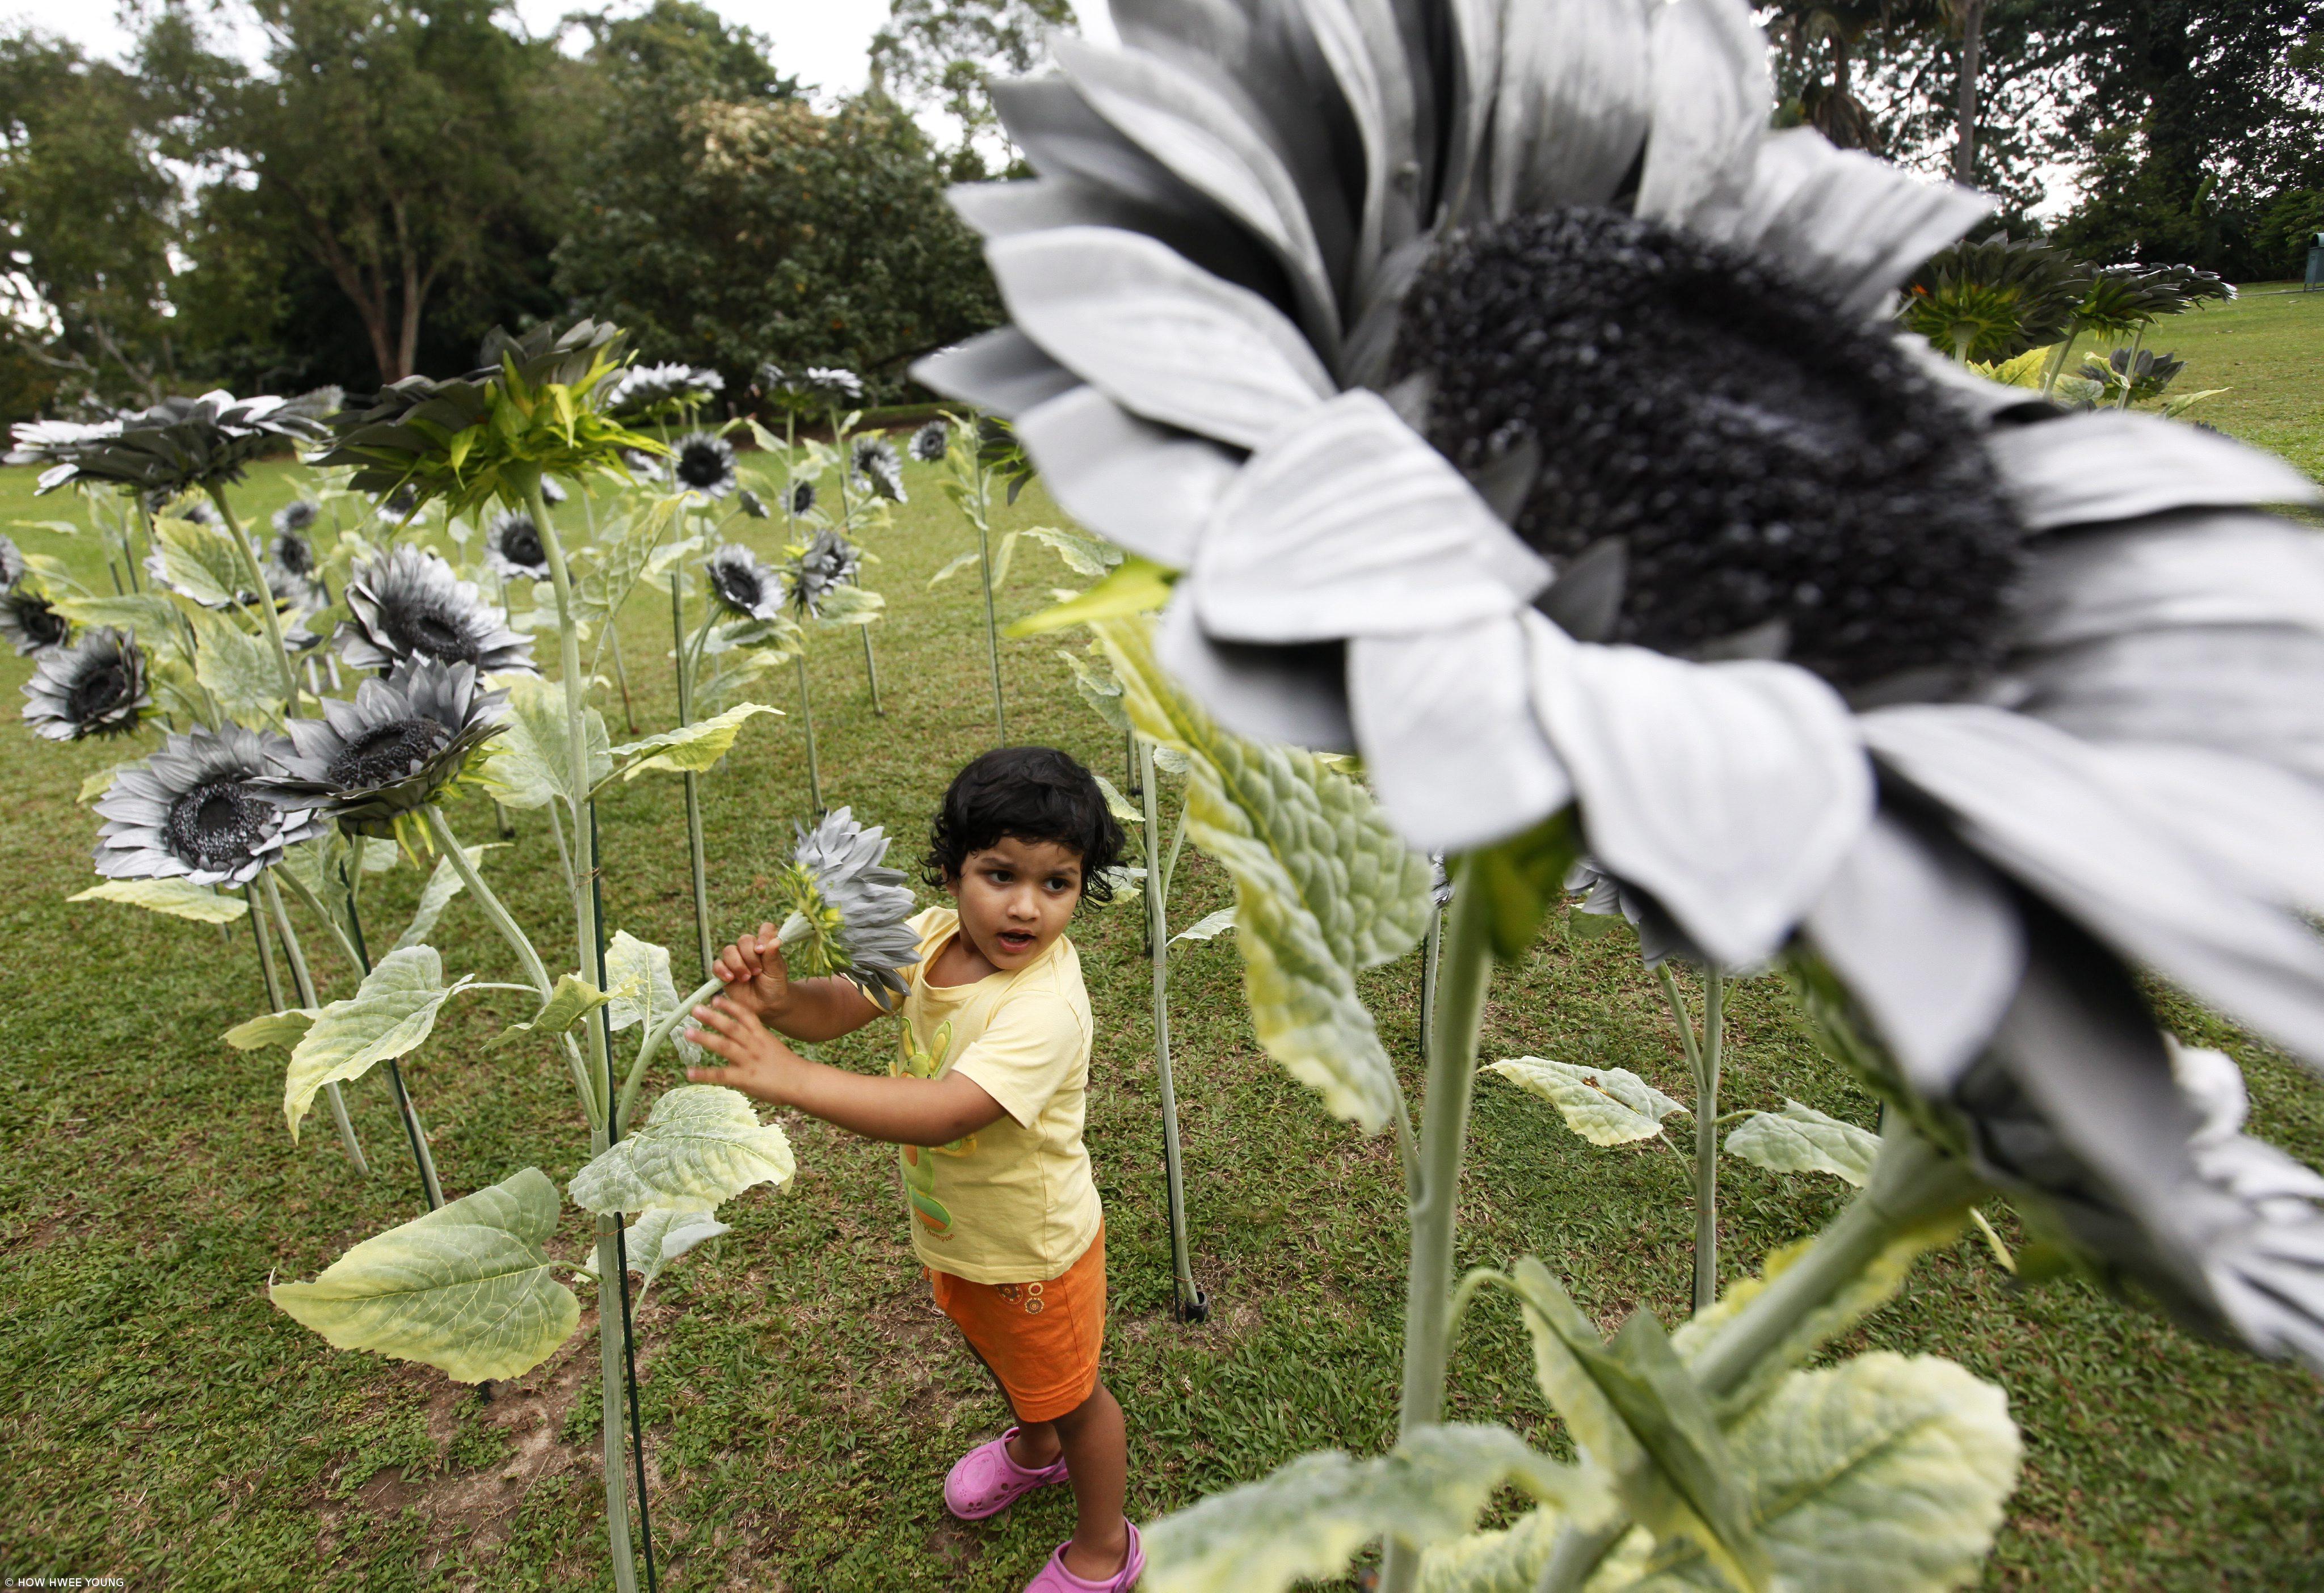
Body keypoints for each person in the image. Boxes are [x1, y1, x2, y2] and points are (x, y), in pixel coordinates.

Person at [684, 745, 1138, 1591]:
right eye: (1000, 874)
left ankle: (1106, 1546)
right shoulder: (930, 939)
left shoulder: (1044, 1007)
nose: (1027, 908)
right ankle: (1035, 1451)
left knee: (1077, 1401)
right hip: (959, 1235)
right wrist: (784, 1004)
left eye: (1057, 884)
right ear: (949, 872)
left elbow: (950, 1112)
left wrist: (792, 1079)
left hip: (1036, 1254)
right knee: (1005, 1362)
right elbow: (842, 1006)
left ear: (1084, 888)